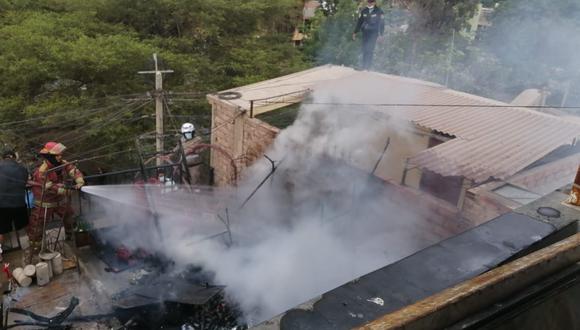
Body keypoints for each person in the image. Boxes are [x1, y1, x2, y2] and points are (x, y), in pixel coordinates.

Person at [27, 142, 84, 261]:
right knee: (37, 226)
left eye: (60, 154)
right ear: (50, 157)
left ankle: (70, 237)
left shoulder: (62, 163)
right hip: (45, 202)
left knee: (69, 216)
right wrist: (65, 191)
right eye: (57, 155)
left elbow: (73, 169)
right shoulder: (42, 171)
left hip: (60, 201)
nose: (60, 157)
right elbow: (50, 187)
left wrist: (79, 180)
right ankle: (36, 249)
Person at [0, 148, 29, 260]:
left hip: (1, 205)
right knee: (22, 227)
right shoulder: (22, 168)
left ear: (3, 157)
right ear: (14, 157)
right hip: (19, 203)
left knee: (0, 230)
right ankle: (27, 248)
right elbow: (25, 182)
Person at [352, 0, 385, 70]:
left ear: (374, 2)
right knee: (364, 49)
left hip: (373, 33)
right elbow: (359, 22)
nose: (369, 3)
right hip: (365, 33)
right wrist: (355, 32)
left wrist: (381, 34)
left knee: (370, 49)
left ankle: (368, 68)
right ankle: (363, 67)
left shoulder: (379, 11)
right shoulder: (364, 11)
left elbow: (382, 24)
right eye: (368, 2)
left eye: (371, 2)